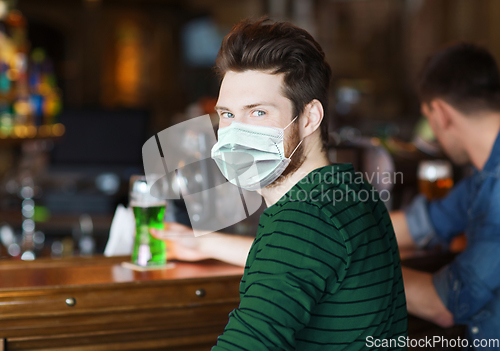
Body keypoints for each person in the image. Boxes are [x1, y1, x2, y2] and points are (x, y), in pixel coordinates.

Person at [153, 18, 407, 350]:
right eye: (227, 114)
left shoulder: (303, 218)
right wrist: (203, 245)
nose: (235, 132)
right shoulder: (349, 189)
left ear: (309, 117)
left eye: (258, 113)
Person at [390, 43, 500, 348]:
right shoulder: (483, 178)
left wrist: (343, 263)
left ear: (439, 113)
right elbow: (418, 224)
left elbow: (447, 304)